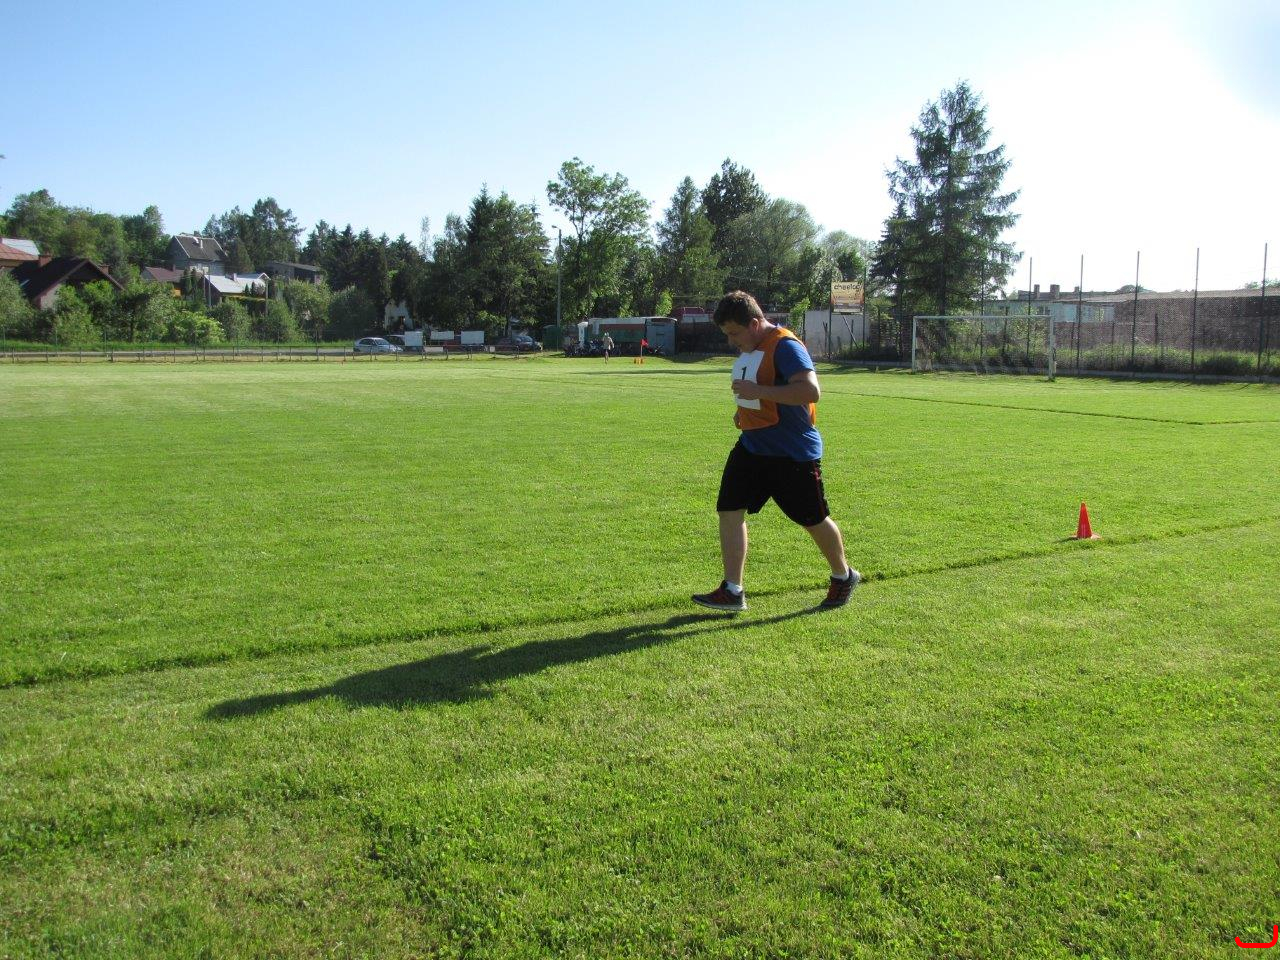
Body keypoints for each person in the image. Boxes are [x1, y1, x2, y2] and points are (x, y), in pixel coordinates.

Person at [691, 290, 859, 613]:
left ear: (754, 324)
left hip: (792, 453)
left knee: (813, 519)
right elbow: (760, 392)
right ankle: (733, 590)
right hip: (752, 447)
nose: (731, 341)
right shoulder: (752, 348)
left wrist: (758, 392)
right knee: (729, 510)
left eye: (734, 333)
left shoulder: (785, 346)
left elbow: (810, 390)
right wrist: (744, 410)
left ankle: (843, 575)